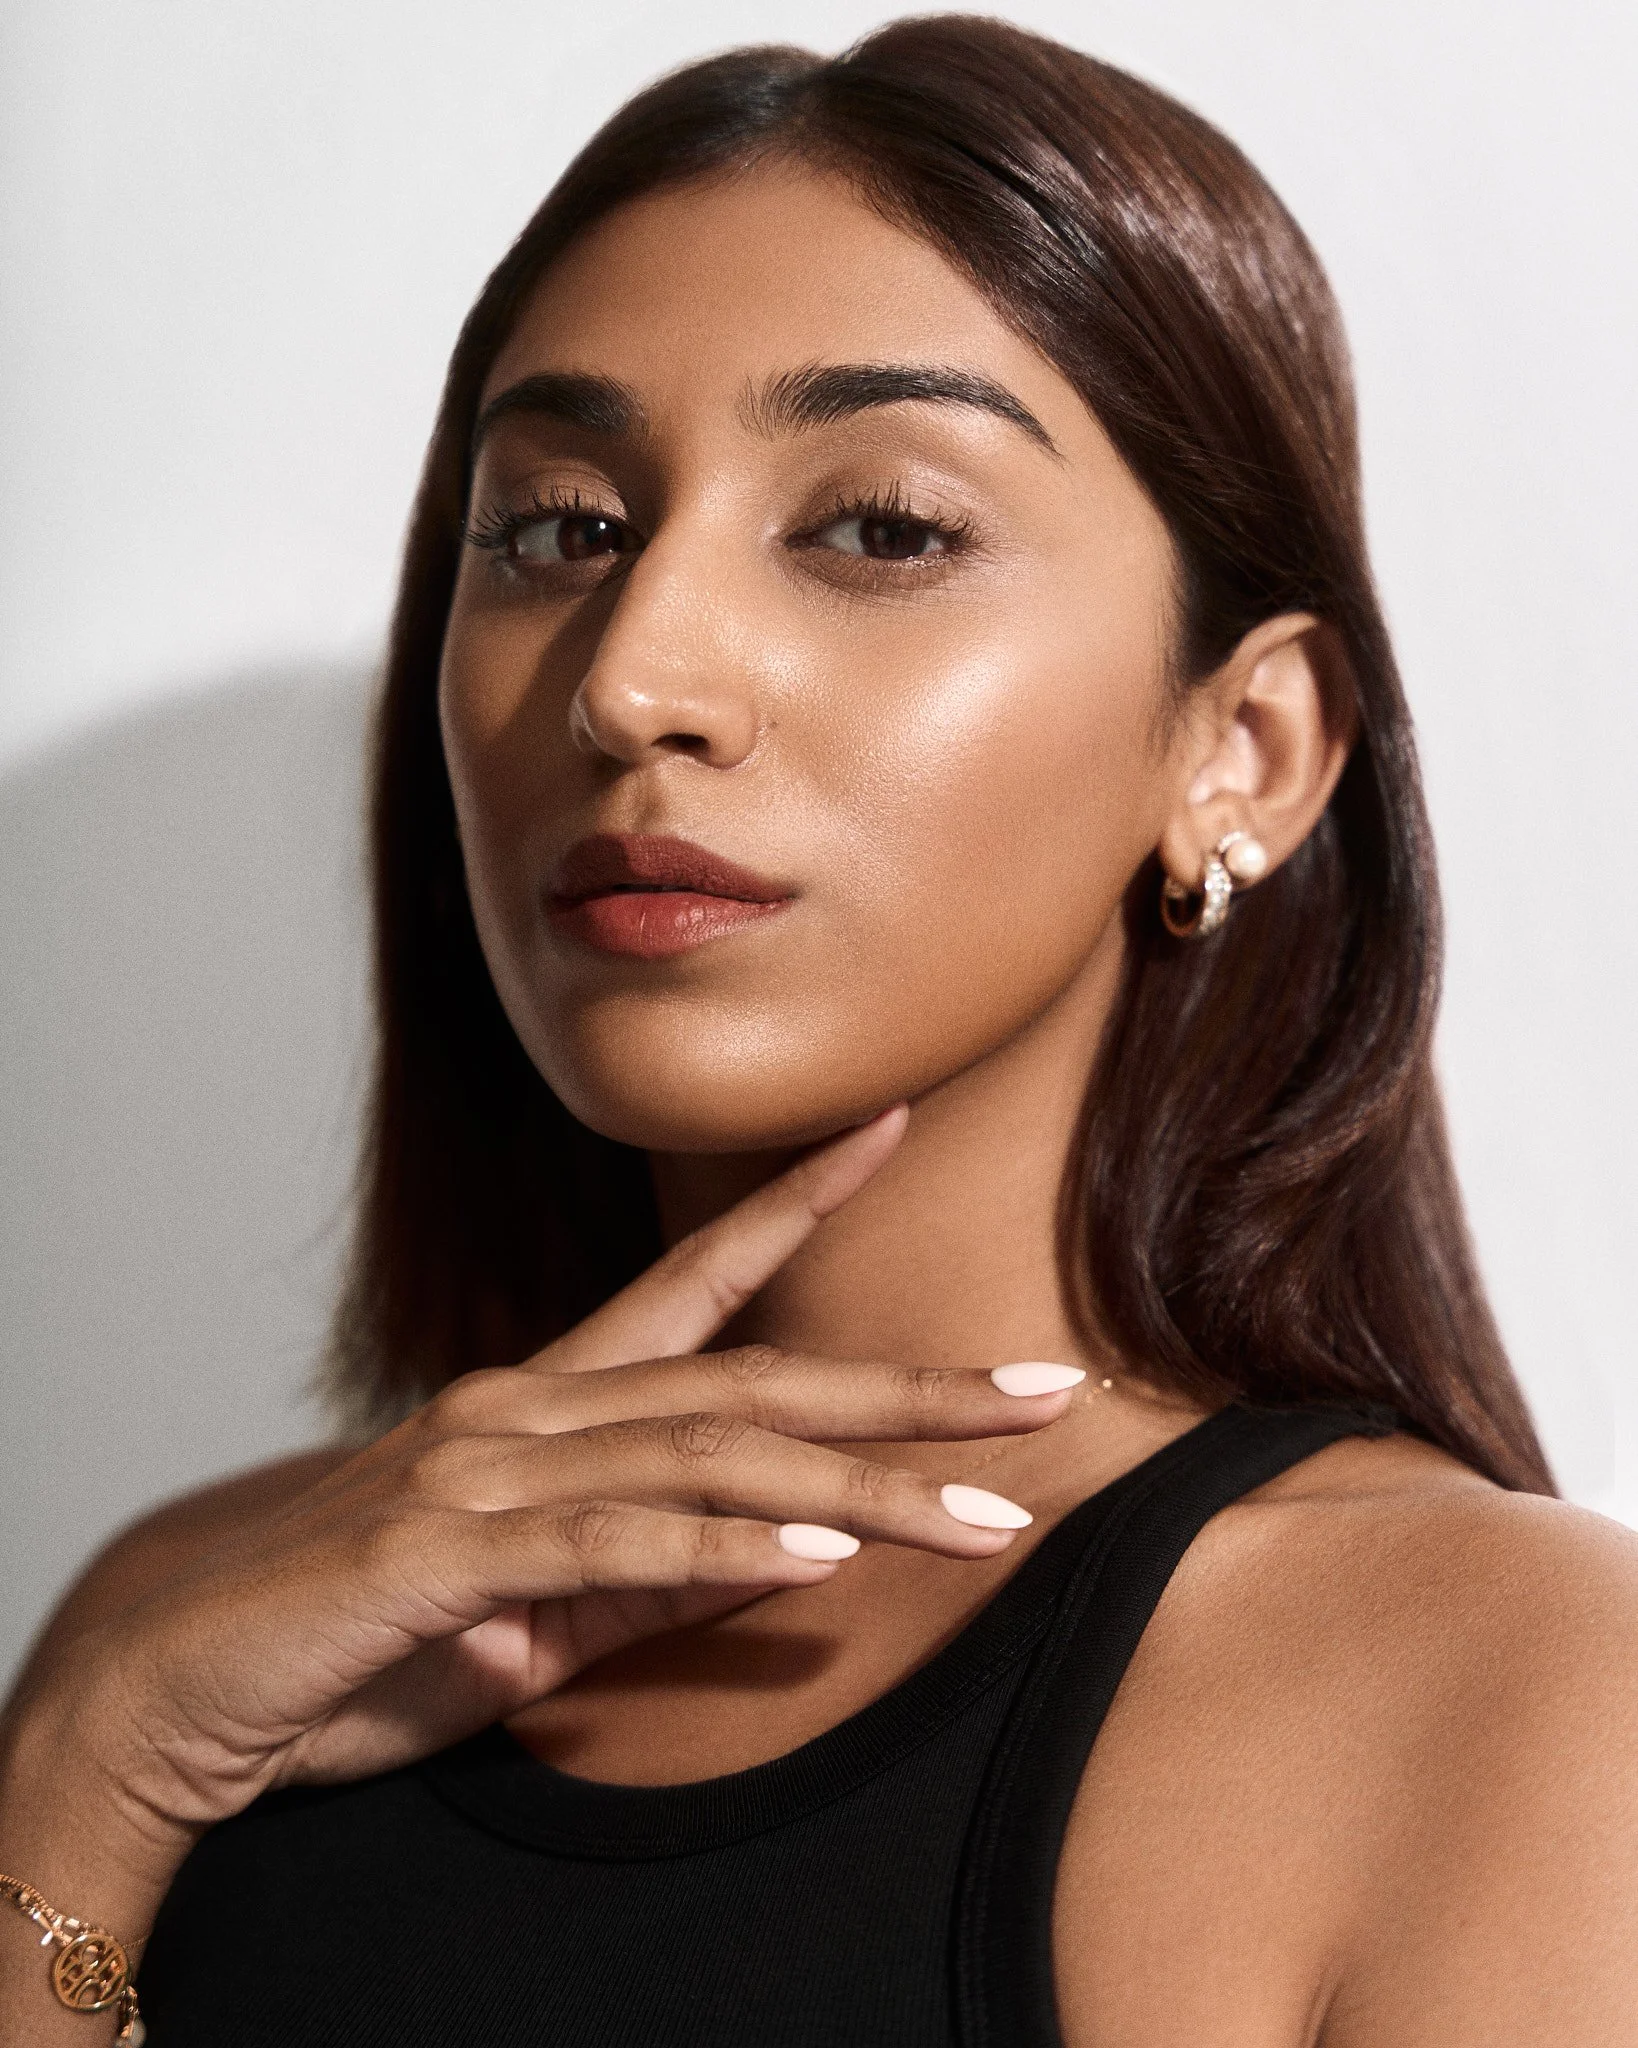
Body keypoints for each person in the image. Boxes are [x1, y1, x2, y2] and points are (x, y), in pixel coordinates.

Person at [3, 15, 1635, 2044]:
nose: (632, 678)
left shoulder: (1504, 1703)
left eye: (879, 528)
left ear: (1244, 749)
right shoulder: (188, 1639)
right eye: (561, 528)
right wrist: (85, 1776)